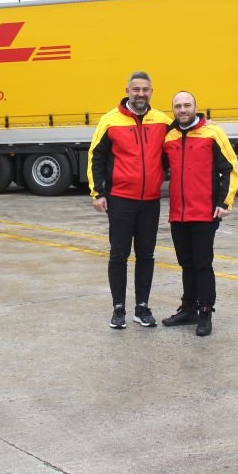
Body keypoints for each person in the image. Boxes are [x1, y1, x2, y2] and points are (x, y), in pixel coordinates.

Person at [87, 71, 172, 329]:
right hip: (120, 200)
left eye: (145, 89)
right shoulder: (110, 121)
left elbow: (183, 138)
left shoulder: (162, 121)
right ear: (127, 91)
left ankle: (142, 308)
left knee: (146, 255)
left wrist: (206, 124)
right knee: (119, 255)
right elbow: (96, 157)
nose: (141, 94)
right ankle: (118, 309)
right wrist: (98, 193)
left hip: (150, 201)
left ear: (151, 92)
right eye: (136, 89)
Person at [160, 90, 238, 337]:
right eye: (178, 106)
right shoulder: (169, 136)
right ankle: (189, 309)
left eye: (187, 105)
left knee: (203, 264)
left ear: (195, 107)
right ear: (173, 110)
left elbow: (230, 168)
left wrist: (225, 202)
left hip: (205, 212)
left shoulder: (212, 133)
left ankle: (205, 312)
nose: (182, 110)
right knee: (186, 264)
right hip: (178, 214)